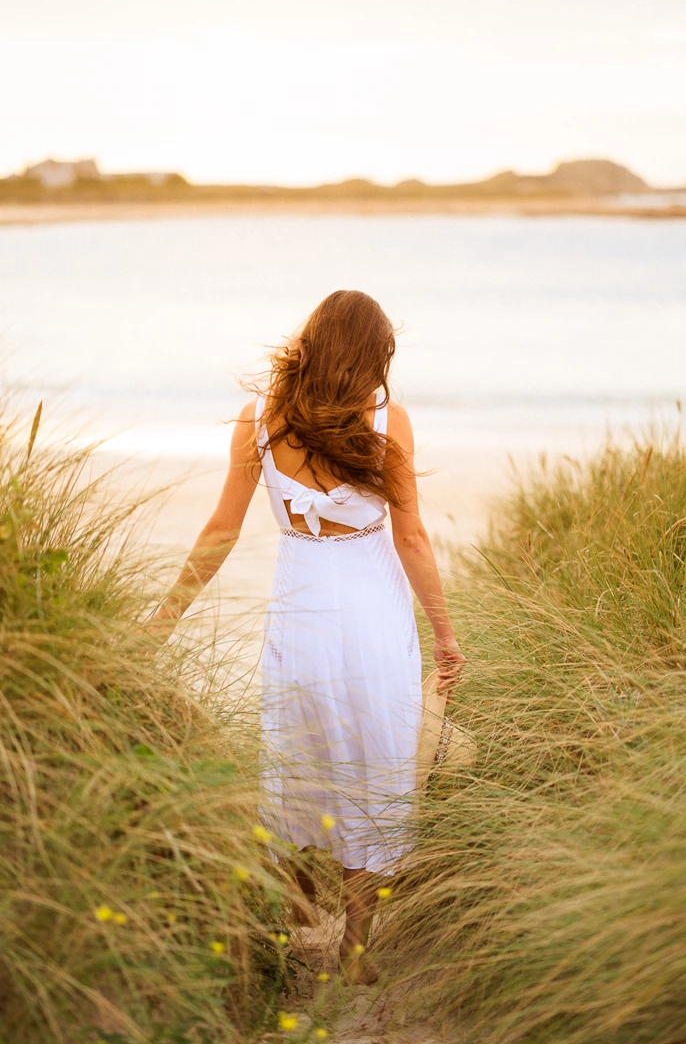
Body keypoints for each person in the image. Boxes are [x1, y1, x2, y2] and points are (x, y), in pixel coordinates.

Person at [149, 289, 465, 984]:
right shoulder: (389, 420)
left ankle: (294, 903)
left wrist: (164, 621)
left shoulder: (260, 421)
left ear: (312, 343)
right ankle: (355, 945)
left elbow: (221, 530)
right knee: (374, 759)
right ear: (375, 354)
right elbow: (410, 536)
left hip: (302, 603)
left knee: (296, 753)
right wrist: (444, 633)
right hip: (373, 607)